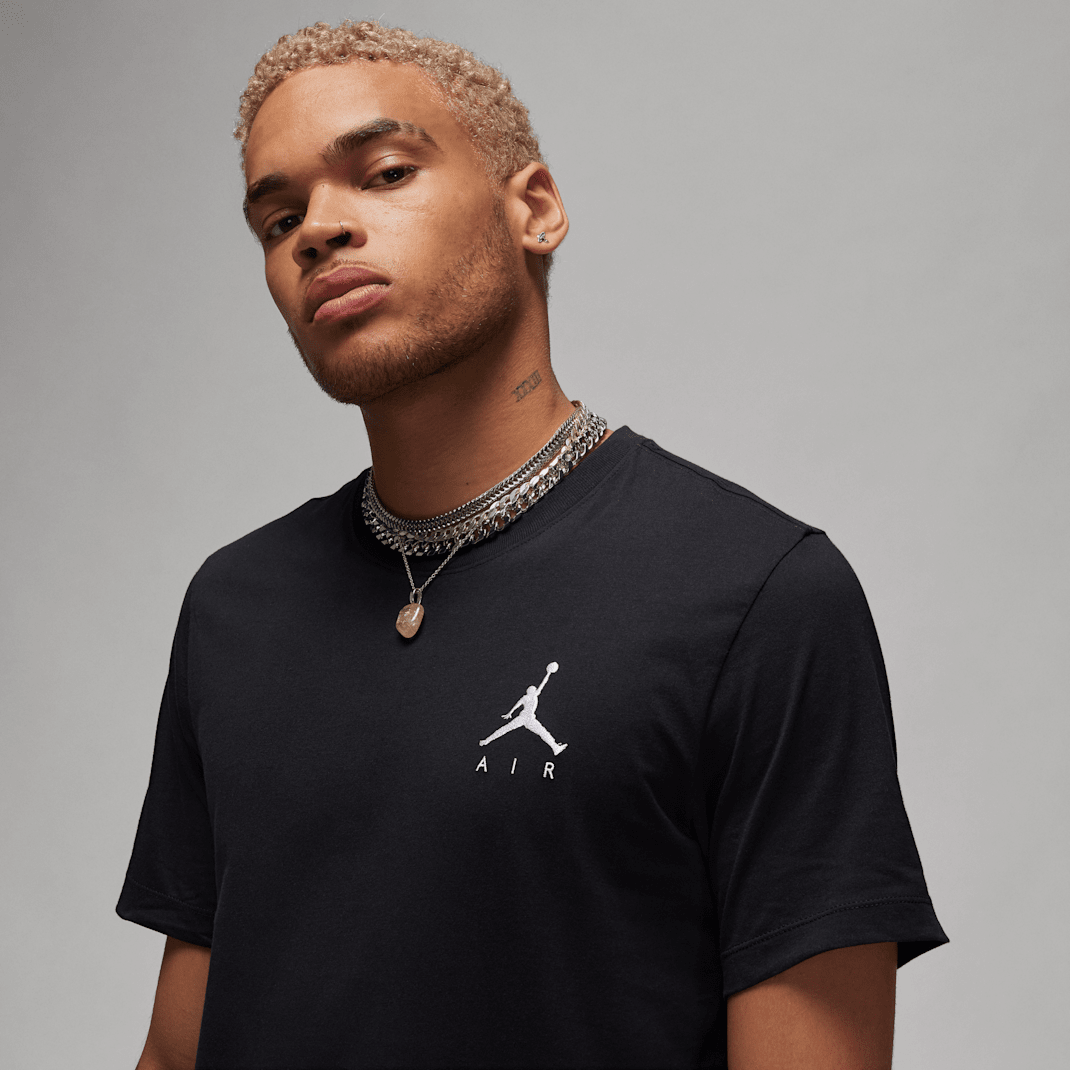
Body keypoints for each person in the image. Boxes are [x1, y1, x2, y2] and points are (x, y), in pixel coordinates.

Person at [117, 19, 947, 1070]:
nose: (317, 230)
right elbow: (176, 1051)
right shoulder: (234, 607)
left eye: (383, 172)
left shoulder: (759, 597)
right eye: (278, 219)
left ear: (535, 209)